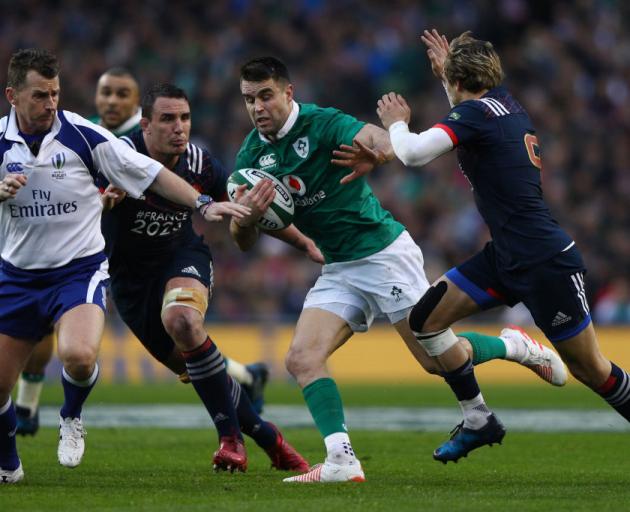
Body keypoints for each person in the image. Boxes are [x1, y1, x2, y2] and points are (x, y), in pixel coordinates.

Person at [228, 56, 566, 483]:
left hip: (384, 254)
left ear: (287, 93)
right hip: (339, 268)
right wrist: (244, 219)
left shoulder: (323, 123)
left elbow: (377, 139)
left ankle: (515, 346)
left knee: (436, 360)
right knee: (301, 357)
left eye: (265, 96)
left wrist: (381, 152)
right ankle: (341, 460)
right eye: (248, 99)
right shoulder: (251, 154)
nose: (257, 107)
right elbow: (242, 241)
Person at [358, 29, 630, 463]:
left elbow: (412, 154)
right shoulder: (501, 105)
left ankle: (516, 359)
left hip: (545, 262)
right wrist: (450, 76)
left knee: (591, 370)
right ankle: (479, 418)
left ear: (459, 80)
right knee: (425, 320)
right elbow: (467, 115)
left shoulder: (477, 115)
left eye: (450, 78)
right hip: (505, 256)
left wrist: (396, 122)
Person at [0, 49, 250, 484]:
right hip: (17, 275)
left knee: (78, 355)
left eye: (55, 93)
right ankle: (8, 462)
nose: (51, 103)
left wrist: (202, 202)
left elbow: (150, 173)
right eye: (40, 95)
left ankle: (71, 416)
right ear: (12, 96)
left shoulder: (83, 135)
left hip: (77, 269)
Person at [99, 82, 308, 474]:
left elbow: (250, 207)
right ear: (144, 125)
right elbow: (82, 211)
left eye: (185, 118)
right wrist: (102, 204)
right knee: (200, 370)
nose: (179, 127)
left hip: (181, 257)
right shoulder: (117, 157)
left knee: (182, 319)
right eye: (167, 119)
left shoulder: (200, 163)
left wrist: (305, 244)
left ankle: (231, 441)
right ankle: (268, 438)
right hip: (129, 283)